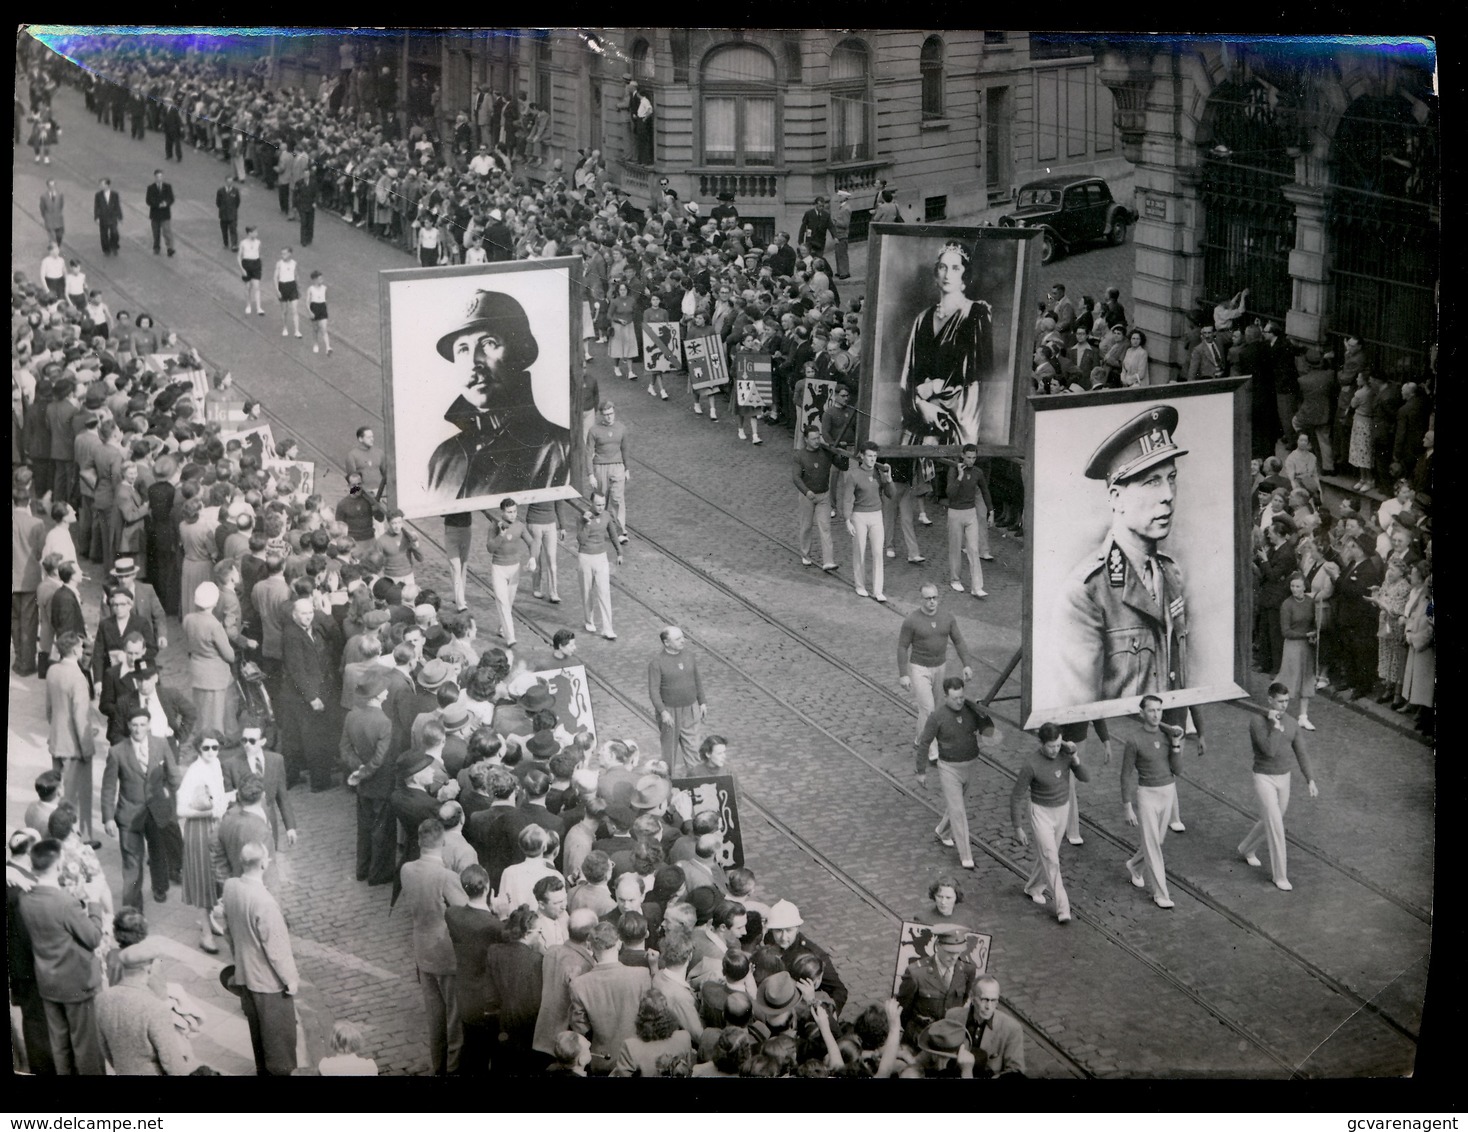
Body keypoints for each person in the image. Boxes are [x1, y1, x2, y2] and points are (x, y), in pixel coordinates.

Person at [1052, 405, 1191, 709]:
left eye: (1171, 478)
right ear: (1117, 498)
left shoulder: (1171, 574)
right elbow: (1080, 711)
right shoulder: (1086, 592)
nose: (1168, 494)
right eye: (1152, 481)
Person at [425, 289, 572, 501]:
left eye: (488, 344)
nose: (474, 361)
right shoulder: (442, 458)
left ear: (519, 353)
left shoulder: (562, 450)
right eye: (463, 349)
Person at [17, 838, 106, 1075]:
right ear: (57, 866)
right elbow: (93, 937)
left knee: (60, 1046)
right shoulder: (65, 903)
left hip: (48, 983)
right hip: (76, 983)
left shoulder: (25, 898)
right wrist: (94, 902)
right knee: (86, 1047)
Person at [897, 242, 994, 448]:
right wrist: (921, 405)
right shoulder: (922, 319)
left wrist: (934, 390)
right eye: (943, 267)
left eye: (955, 268)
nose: (948, 274)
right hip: (922, 413)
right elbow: (909, 376)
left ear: (965, 276)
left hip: (956, 418)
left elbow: (976, 379)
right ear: (936, 274)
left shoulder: (975, 314)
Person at [221, 841, 300, 1075]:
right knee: (280, 1047)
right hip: (269, 984)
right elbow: (276, 949)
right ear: (264, 863)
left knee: (259, 1040)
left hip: (245, 976)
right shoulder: (265, 902)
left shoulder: (231, 886)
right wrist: (290, 980)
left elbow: (227, 929)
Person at [399, 819, 469, 1075]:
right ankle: (452, 1069)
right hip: (446, 952)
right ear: (443, 842)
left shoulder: (406, 870)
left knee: (435, 1017)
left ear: (419, 842)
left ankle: (438, 1067)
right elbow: (464, 911)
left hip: (423, 950)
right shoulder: (446, 876)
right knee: (454, 1019)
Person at [102, 700, 183, 911]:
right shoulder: (117, 752)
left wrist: (170, 796)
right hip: (129, 814)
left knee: (158, 851)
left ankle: (160, 886)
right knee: (132, 863)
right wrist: (108, 817)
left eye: (142, 724)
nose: (138, 729)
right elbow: (109, 787)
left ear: (149, 725)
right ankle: (133, 908)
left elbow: (173, 774)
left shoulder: (160, 744)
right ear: (129, 726)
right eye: (134, 725)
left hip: (156, 810)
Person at [1238, 682, 1319, 892]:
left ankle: (1246, 848)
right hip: (1264, 777)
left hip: (1284, 778)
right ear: (1270, 700)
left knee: (1273, 819)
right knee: (1275, 824)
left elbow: (1302, 753)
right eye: (1280, 701)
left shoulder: (1291, 723)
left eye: (1286, 701)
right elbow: (1269, 750)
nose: (1284, 705)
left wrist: (1310, 779)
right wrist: (1274, 725)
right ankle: (1280, 875)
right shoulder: (1257, 721)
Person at [912, 677, 999, 870]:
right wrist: (921, 771)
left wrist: (983, 714)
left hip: (970, 764)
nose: (959, 701)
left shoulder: (970, 710)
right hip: (949, 768)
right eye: (955, 698)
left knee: (958, 806)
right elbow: (925, 742)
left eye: (961, 697)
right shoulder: (937, 717)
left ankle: (942, 831)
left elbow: (989, 731)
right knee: (958, 811)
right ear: (945, 697)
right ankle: (966, 855)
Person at [1011, 723, 1089, 923]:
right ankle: (1063, 907)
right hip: (1041, 812)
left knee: (1048, 853)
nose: (1055, 750)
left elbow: (1085, 778)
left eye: (1057, 745)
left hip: (1062, 809)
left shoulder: (1065, 754)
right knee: (1051, 858)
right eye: (1050, 746)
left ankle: (1033, 887)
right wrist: (1018, 827)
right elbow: (1016, 796)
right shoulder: (1031, 764)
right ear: (1041, 743)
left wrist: (1075, 759)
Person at [900, 581, 977, 765]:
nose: (932, 602)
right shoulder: (912, 621)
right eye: (928, 599)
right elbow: (902, 647)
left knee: (934, 707)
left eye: (935, 598)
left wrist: (966, 664)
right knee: (928, 708)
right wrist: (904, 674)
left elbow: (959, 641)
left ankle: (920, 739)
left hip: (939, 667)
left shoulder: (947, 618)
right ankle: (932, 750)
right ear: (921, 599)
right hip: (920, 668)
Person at [1120, 695, 1185, 909]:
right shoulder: (1134, 740)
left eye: (1159, 710)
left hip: (1167, 791)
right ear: (1141, 714)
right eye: (1151, 710)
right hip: (1147, 794)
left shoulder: (1167, 735)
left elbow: (1177, 770)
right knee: (1153, 846)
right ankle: (1161, 894)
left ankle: (1135, 866)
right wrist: (1127, 806)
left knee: (1156, 842)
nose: (1156, 714)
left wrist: (1176, 745)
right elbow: (1126, 774)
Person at [46, 632, 97, 840]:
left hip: (57, 739)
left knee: (59, 792)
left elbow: (49, 709)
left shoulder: (52, 670)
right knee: (79, 793)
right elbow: (79, 717)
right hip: (75, 745)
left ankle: (59, 831)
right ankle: (82, 837)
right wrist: (87, 748)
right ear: (76, 650)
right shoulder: (78, 678)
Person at [896, 923, 981, 1044]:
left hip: (950, 1038)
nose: (954, 957)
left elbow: (963, 1000)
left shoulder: (967, 971)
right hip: (920, 1037)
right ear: (937, 946)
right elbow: (903, 1011)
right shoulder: (916, 973)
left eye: (958, 953)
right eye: (949, 952)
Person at [648, 625, 707, 777]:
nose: (683, 641)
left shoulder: (689, 656)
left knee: (693, 748)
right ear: (666, 643)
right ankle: (668, 783)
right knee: (669, 752)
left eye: (682, 637)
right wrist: (663, 712)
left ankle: (696, 782)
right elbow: (653, 690)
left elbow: (697, 679)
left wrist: (702, 702)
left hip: (690, 708)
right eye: (678, 639)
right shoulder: (657, 662)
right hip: (670, 712)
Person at [841, 441, 894, 602]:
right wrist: (847, 520)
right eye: (869, 456)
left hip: (876, 515)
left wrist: (889, 479)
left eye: (875, 456)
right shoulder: (854, 474)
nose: (872, 459)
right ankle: (860, 585)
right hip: (859, 516)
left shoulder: (879, 472)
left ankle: (878, 590)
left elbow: (891, 494)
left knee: (878, 552)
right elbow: (848, 499)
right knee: (860, 551)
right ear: (862, 456)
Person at [940, 444, 995, 597]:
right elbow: (950, 493)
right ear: (962, 456)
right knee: (955, 547)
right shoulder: (953, 470)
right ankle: (955, 580)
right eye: (969, 457)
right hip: (955, 513)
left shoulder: (978, 472)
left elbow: (985, 491)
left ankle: (977, 586)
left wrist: (991, 511)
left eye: (974, 458)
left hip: (971, 513)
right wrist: (959, 476)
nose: (971, 461)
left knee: (973, 549)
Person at [947, 975, 1026, 1077]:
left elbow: (1015, 1071)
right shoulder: (952, 1016)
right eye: (984, 999)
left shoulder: (1012, 1028)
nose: (989, 1007)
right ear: (971, 996)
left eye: (994, 1000)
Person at [576, 490, 624, 641]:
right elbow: (581, 540)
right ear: (591, 503)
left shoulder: (606, 516)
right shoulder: (582, 517)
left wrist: (619, 552)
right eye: (597, 504)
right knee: (587, 591)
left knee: (604, 592)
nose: (600, 507)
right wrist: (586, 523)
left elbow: (613, 534)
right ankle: (589, 621)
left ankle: (607, 629)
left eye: (603, 504)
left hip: (601, 557)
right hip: (585, 557)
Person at [1276, 573, 1318, 730]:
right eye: (1292, 586)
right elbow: (1285, 632)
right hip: (1293, 645)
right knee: (1289, 678)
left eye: (1298, 586)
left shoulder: (1310, 602)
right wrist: (1305, 635)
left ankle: (1303, 717)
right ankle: (1279, 715)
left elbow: (1314, 623)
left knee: (1306, 679)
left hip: (1307, 646)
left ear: (1304, 587)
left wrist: (1313, 634)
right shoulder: (1286, 605)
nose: (1294, 589)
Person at [793, 424, 837, 569]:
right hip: (807, 497)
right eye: (813, 439)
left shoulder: (825, 452)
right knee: (806, 526)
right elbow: (796, 477)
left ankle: (828, 561)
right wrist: (806, 491)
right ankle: (805, 554)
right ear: (806, 440)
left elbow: (842, 465)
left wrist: (837, 451)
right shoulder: (800, 455)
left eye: (818, 438)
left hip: (823, 495)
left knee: (825, 527)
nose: (817, 441)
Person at [586, 400, 631, 534]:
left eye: (611, 414)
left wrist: (627, 469)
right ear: (601, 415)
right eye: (606, 414)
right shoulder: (594, 430)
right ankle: (598, 524)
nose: (609, 417)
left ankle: (620, 529)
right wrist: (590, 474)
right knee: (601, 499)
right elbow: (588, 453)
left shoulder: (621, 428)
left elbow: (625, 449)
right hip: (600, 467)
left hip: (618, 467)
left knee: (617, 499)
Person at [144, 169, 176, 256]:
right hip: (155, 214)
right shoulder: (151, 188)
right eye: (158, 177)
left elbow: (171, 198)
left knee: (167, 231)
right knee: (156, 232)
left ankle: (170, 248)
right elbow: (148, 200)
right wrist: (157, 204)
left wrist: (166, 203)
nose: (159, 178)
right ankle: (156, 247)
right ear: (155, 177)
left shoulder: (167, 187)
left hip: (165, 214)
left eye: (161, 176)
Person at [273, 247, 302, 339]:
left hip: (292, 286)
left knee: (295, 310)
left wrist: (299, 288)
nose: (283, 256)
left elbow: (296, 276)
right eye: (282, 254)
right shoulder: (279, 264)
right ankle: (285, 327)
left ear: (290, 254)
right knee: (285, 311)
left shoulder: (294, 263)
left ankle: (297, 331)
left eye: (285, 254)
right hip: (283, 287)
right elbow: (275, 277)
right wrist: (277, 290)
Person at [238, 225, 264, 317]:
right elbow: (239, 257)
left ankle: (258, 307)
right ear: (249, 233)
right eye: (255, 232)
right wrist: (242, 269)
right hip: (246, 264)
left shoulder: (258, 242)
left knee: (257, 286)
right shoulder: (243, 243)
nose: (256, 234)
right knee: (248, 287)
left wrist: (260, 265)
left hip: (256, 264)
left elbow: (259, 254)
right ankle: (248, 305)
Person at [94, 177, 123, 257]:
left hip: (112, 217)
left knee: (115, 233)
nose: (100, 186)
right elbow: (96, 207)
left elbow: (117, 206)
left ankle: (114, 246)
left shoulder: (115, 194)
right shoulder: (98, 195)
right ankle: (106, 250)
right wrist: (96, 217)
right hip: (103, 218)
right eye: (100, 184)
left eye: (102, 184)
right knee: (104, 235)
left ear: (107, 185)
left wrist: (120, 217)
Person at [306, 270, 332, 356]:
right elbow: (307, 302)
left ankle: (328, 347)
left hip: (322, 309)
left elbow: (326, 299)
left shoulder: (325, 288)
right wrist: (310, 312)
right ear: (315, 279)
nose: (321, 279)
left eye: (321, 278)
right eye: (319, 278)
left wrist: (325, 308)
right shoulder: (311, 289)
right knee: (315, 329)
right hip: (314, 309)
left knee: (324, 328)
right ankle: (315, 344)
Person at [215, 174, 241, 251]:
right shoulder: (220, 191)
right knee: (224, 230)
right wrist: (222, 208)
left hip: (232, 214)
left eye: (231, 182)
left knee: (233, 229)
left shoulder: (235, 191)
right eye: (228, 182)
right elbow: (218, 202)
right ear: (226, 182)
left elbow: (237, 202)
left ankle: (234, 245)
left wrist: (233, 209)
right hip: (223, 214)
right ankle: (225, 243)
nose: (230, 183)